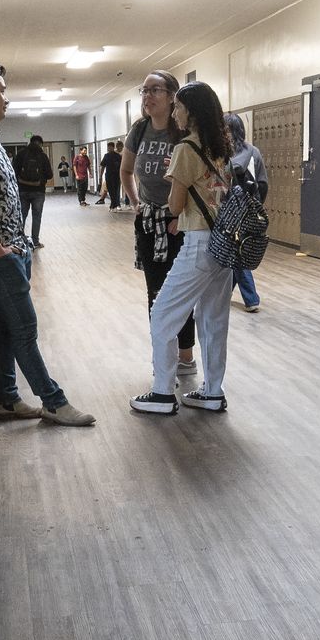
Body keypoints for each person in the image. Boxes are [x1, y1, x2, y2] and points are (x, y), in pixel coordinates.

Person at [0, 63, 95, 427]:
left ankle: (7, 399)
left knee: (4, 326)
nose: (6, 98)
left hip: (13, 251)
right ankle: (54, 401)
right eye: (1, 91)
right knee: (25, 327)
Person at [131, 81, 236, 415]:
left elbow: (175, 206)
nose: (174, 111)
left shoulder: (186, 149)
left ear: (190, 112)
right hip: (223, 244)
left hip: (199, 247)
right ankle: (213, 391)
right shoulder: (220, 146)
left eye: (178, 106)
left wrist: (174, 181)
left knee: (162, 314)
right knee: (213, 320)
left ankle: (162, 393)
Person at [124, 73, 198, 387]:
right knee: (155, 292)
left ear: (171, 96)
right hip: (149, 222)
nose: (147, 96)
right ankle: (163, 356)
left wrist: (181, 214)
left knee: (179, 293)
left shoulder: (181, 130)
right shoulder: (139, 130)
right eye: (145, 90)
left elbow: (196, 175)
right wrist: (135, 202)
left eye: (155, 90)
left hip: (179, 223)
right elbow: (126, 170)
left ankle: (185, 357)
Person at [226, 113, 266, 313]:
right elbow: (263, 184)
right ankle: (226, 294)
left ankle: (251, 298)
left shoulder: (223, 154)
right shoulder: (254, 152)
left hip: (229, 210)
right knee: (237, 250)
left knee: (236, 253)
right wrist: (257, 206)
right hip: (250, 208)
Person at [12, 135, 53, 249]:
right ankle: (35, 241)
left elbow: (13, 171)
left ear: (30, 142)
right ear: (40, 143)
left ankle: (19, 241)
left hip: (23, 191)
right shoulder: (43, 156)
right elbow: (50, 175)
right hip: (38, 191)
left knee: (22, 216)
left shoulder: (21, 154)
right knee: (36, 217)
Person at [98, 141, 123, 208]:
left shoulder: (118, 156)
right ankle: (113, 203)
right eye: (108, 147)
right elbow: (103, 166)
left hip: (116, 176)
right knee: (110, 191)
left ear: (113, 147)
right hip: (108, 176)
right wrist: (100, 176)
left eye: (110, 147)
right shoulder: (106, 156)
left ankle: (115, 205)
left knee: (116, 190)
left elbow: (121, 167)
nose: (109, 149)